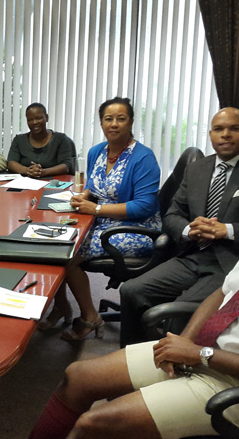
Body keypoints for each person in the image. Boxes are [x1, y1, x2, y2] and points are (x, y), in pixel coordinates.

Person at [29, 147, 239, 439]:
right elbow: (223, 292)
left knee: (95, 424)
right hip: (206, 354)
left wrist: (201, 354)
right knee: (77, 377)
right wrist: (186, 341)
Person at [119, 107, 239, 348]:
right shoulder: (197, 168)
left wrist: (228, 230)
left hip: (231, 263)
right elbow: (172, 213)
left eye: (234, 129)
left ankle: (172, 365)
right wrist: (188, 230)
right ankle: (131, 355)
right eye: (219, 129)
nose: (226, 135)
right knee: (131, 290)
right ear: (210, 134)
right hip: (191, 254)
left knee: (177, 310)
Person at [49, 97, 161, 340]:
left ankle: (89, 316)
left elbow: (145, 205)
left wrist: (96, 210)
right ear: (101, 122)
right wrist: (81, 197)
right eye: (108, 119)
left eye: (121, 119)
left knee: (67, 254)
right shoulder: (96, 152)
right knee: (54, 242)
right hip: (102, 221)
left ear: (130, 122)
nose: (114, 124)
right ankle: (61, 306)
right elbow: (93, 185)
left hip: (136, 228)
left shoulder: (143, 157)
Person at [7, 102, 75, 178]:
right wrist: (28, 170)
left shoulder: (60, 139)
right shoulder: (19, 140)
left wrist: (42, 172)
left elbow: (66, 166)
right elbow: (11, 163)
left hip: (53, 184)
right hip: (25, 183)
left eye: (38, 118)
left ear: (46, 117)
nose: (34, 122)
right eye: (30, 120)